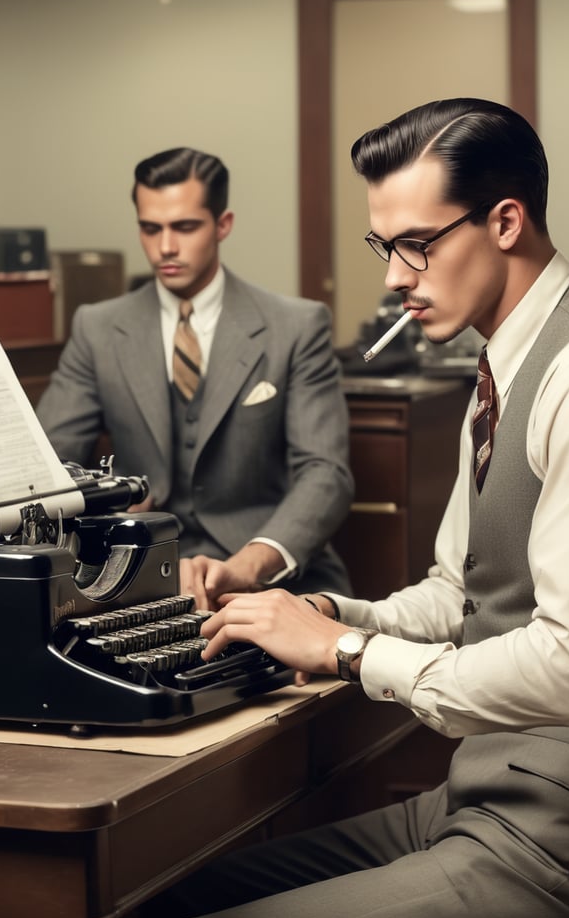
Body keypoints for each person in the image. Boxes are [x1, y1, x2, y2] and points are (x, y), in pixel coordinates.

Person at [142, 99, 569, 918]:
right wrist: (321, 612)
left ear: (505, 222)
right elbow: (457, 597)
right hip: (486, 789)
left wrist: (346, 651)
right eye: (385, 246)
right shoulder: (501, 363)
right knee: (175, 894)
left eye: (416, 244)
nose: (392, 276)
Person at [36, 147, 353, 608]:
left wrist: (249, 564)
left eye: (185, 227)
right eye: (151, 228)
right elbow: (48, 467)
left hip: (266, 576)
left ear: (222, 225)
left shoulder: (296, 326)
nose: (165, 246)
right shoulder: (97, 328)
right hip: (134, 576)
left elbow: (326, 474)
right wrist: (110, 511)